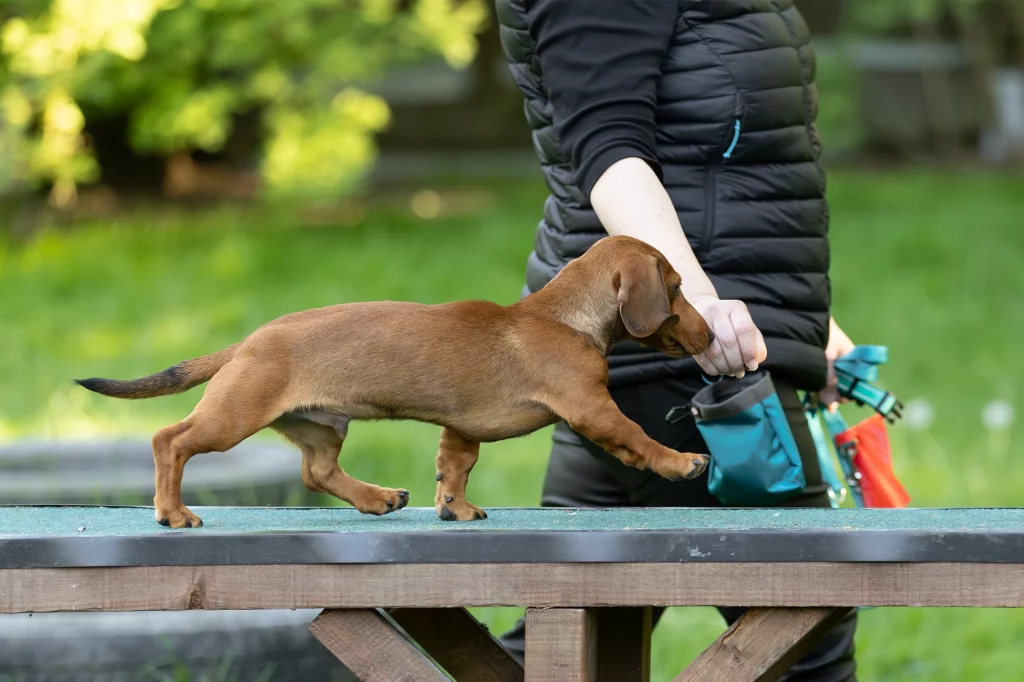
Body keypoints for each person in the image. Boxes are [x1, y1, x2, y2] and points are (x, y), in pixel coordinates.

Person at [492, 0, 859, 679]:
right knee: (804, 633)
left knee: (575, 642)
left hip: (667, 345)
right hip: (670, 351)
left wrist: (808, 329)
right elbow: (610, 153)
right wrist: (698, 312)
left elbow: (742, 168)